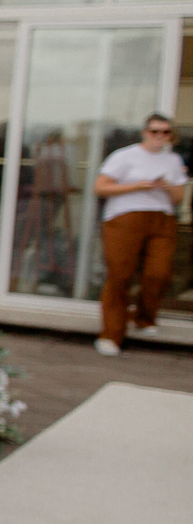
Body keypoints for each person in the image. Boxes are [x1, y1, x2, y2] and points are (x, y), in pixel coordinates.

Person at [92, 114, 186, 355]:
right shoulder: (124, 156)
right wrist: (137, 186)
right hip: (125, 217)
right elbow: (100, 187)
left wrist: (169, 187)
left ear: (170, 136)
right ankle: (111, 334)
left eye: (165, 132)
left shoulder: (173, 160)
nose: (159, 136)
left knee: (159, 273)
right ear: (145, 132)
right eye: (155, 131)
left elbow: (179, 199)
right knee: (120, 274)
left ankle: (143, 318)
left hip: (161, 219)